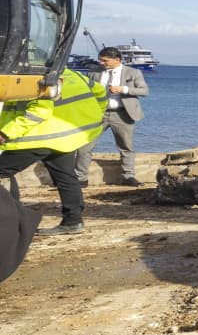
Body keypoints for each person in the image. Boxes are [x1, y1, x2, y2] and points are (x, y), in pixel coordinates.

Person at [0, 68, 107, 236]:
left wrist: (6, 133)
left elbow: (40, 111)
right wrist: (97, 114)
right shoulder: (74, 74)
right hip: (64, 137)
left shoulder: (36, 77)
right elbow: (100, 92)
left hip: (39, 137)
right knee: (66, 177)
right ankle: (73, 221)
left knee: (3, 171)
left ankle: (13, 221)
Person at [75, 47, 149, 187]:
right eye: (100, 60)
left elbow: (144, 91)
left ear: (117, 60)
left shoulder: (133, 72)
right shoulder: (94, 73)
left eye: (105, 60)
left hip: (122, 113)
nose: (102, 63)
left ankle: (128, 176)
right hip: (97, 114)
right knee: (84, 146)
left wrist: (123, 89)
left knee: (126, 146)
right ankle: (81, 178)